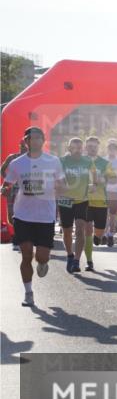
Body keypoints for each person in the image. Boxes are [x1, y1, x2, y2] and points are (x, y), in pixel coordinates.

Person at [2, 127, 67, 306]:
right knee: (26, 255)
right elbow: (7, 184)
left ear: (43, 141)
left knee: (42, 257)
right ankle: (28, 293)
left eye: (39, 138)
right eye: (32, 138)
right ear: (26, 141)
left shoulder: (53, 161)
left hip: (45, 216)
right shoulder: (17, 163)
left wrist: (61, 190)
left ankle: (43, 262)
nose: (36, 141)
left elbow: (62, 184)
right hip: (23, 215)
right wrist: (5, 190)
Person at [83, 136, 117, 269]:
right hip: (84, 201)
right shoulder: (81, 162)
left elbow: (114, 179)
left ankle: (98, 237)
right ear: (86, 148)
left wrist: (103, 179)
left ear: (98, 148)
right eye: (90, 146)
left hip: (100, 202)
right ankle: (89, 261)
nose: (92, 149)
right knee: (87, 230)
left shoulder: (104, 163)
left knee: (98, 233)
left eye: (95, 147)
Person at [58, 137, 91, 273]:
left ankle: (76, 261)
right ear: (69, 149)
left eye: (79, 147)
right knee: (67, 232)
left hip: (82, 200)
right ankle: (70, 255)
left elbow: (94, 178)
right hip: (65, 200)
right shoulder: (62, 161)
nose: (77, 150)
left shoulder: (88, 162)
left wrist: (94, 185)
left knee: (80, 229)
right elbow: (55, 177)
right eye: (74, 148)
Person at [2, 139, 28, 253]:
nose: (23, 148)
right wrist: (8, 180)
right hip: (12, 189)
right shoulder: (12, 157)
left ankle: (19, 239)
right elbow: (2, 169)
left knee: (24, 214)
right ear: (19, 146)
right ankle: (18, 235)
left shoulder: (31, 160)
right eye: (21, 146)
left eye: (25, 146)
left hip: (25, 189)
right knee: (11, 215)